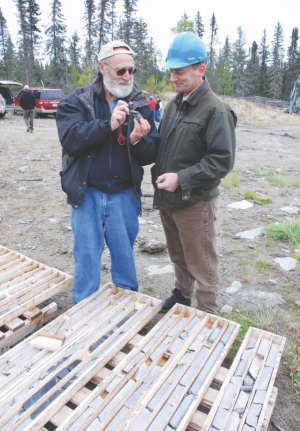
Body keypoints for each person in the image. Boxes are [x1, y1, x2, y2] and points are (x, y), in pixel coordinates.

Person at [56, 40, 159, 304]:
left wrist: (138, 139)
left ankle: (125, 307)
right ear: (102, 68)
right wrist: (107, 125)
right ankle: (84, 308)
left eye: (131, 70)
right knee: (87, 254)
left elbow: (151, 153)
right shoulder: (77, 100)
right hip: (86, 192)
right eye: (120, 71)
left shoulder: (140, 102)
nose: (127, 76)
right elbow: (70, 139)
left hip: (124, 194)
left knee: (124, 255)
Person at [151, 32, 237, 315]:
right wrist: (141, 139)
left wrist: (181, 178)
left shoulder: (215, 110)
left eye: (180, 71)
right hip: (169, 199)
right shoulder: (174, 104)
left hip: (194, 200)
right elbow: (164, 146)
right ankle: (182, 294)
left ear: (200, 69)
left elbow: (221, 161)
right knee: (178, 253)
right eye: (171, 71)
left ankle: (208, 309)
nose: (173, 77)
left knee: (200, 257)